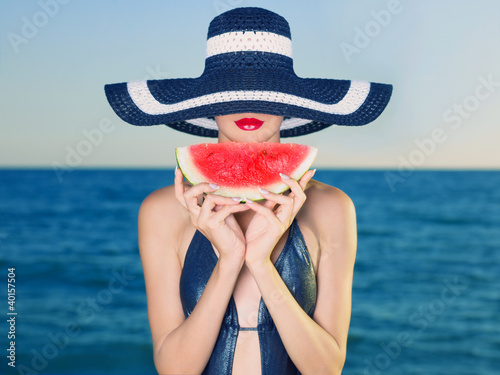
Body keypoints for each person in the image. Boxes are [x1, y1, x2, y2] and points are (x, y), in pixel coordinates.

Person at [105, 7, 392, 375]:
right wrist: (229, 262)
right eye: (230, 94)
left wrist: (260, 263)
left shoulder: (332, 208)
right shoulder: (161, 211)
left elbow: (327, 368)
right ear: (208, 107)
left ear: (288, 106)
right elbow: (174, 369)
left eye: (267, 94)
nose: (249, 105)